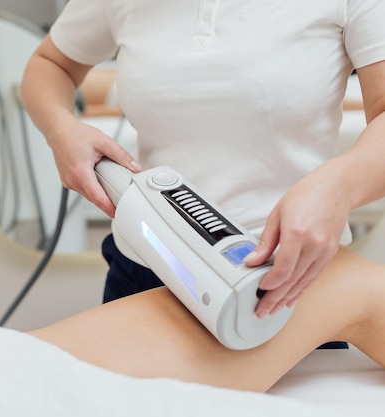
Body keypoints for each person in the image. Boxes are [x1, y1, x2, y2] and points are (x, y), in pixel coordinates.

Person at [20, 1, 385, 321]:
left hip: (289, 281)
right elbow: (51, 63)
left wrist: (339, 185)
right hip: (148, 268)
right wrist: (61, 130)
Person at [29, 245, 385, 392]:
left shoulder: (349, 283)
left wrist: (342, 182)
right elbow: (52, 81)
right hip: (155, 251)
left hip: (287, 264)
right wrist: (62, 129)